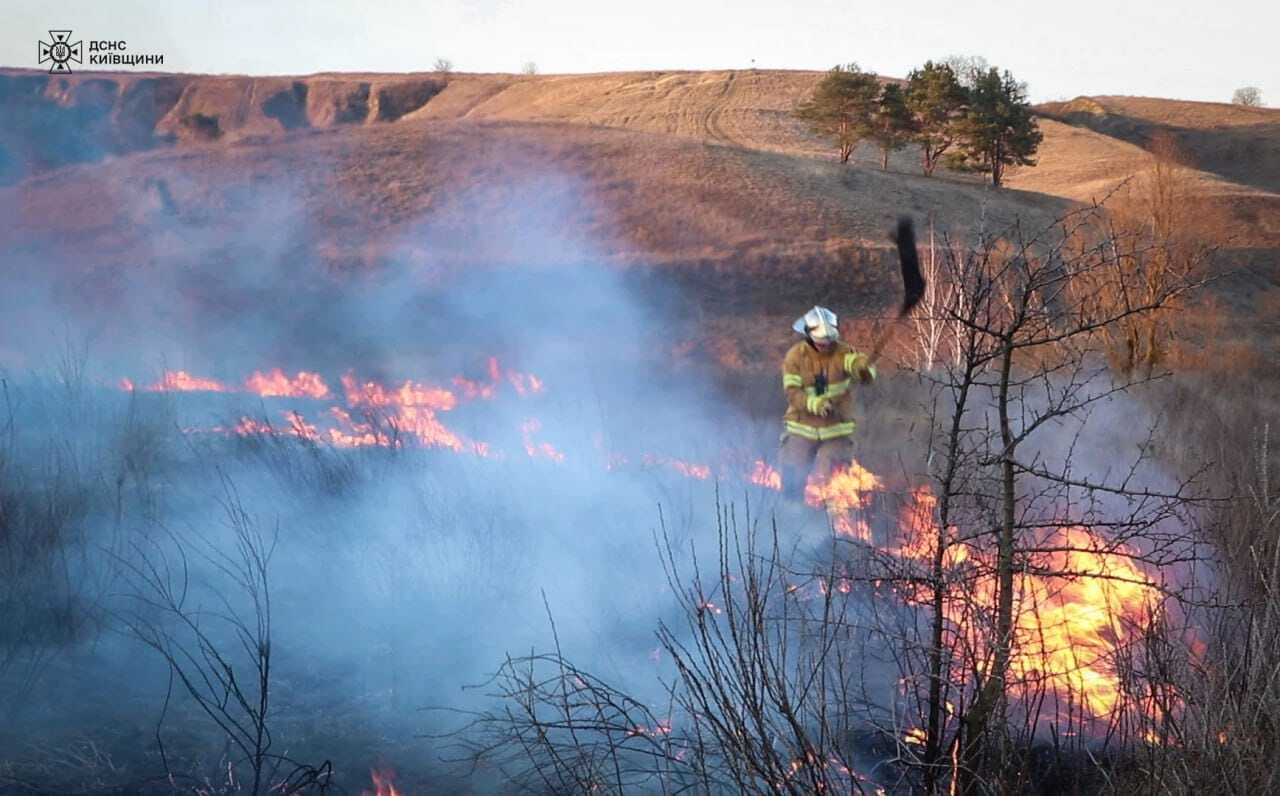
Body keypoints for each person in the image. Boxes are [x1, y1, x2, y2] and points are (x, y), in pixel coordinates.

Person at [779, 306, 876, 500]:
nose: (825, 345)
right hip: (801, 428)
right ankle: (789, 517)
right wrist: (815, 404)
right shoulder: (795, 357)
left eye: (828, 341)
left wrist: (864, 370)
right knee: (792, 474)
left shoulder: (843, 352)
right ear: (808, 336)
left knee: (832, 479)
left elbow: (856, 364)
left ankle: (832, 523)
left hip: (836, 430)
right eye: (820, 342)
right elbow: (793, 393)